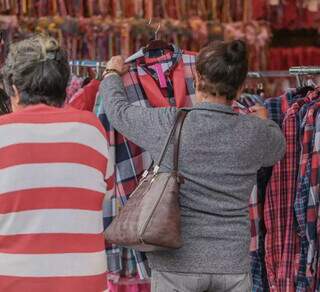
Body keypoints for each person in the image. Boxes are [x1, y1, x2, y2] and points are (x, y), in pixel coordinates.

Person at [100, 40, 286, 292]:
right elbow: (278, 149)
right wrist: (264, 122)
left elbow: (118, 111)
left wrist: (111, 74)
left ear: (197, 78)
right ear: (241, 86)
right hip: (231, 263)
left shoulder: (169, 123)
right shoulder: (255, 132)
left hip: (176, 264)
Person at [0, 34, 109, 292]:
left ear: (14, 89)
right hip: (85, 283)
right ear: (63, 87)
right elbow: (104, 196)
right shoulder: (91, 128)